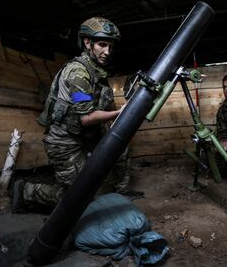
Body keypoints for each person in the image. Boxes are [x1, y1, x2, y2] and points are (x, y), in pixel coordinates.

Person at [12, 17, 144, 213]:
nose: (107, 51)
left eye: (110, 46)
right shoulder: (78, 73)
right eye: (102, 44)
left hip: (87, 134)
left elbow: (101, 108)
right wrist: (120, 112)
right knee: (79, 196)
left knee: (120, 145)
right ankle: (27, 191)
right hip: (65, 141)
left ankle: (122, 191)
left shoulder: (98, 71)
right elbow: (86, 117)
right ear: (87, 43)